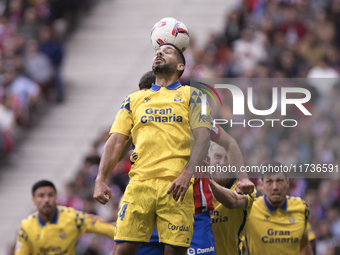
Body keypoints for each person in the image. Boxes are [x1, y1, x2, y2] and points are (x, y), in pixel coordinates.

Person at [93, 43, 212, 255]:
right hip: (139, 185)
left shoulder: (193, 96)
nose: (159, 53)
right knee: (121, 251)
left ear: (180, 66)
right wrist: (101, 178)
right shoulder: (133, 99)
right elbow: (116, 141)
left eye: (167, 52)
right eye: (158, 51)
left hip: (175, 186)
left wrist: (187, 174)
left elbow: (203, 138)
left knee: (174, 252)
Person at [133, 71, 254, 255]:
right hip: (154, 208)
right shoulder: (139, 120)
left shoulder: (193, 116)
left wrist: (242, 178)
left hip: (193, 210)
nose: (144, 101)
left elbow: (229, 143)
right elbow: (118, 144)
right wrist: (102, 177)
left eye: (147, 95)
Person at [14, 180, 116, 255]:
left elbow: (109, 230)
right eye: (41, 196)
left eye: (50, 195)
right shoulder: (26, 226)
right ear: (34, 200)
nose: (46, 200)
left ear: (56, 198)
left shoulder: (73, 218)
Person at [243, 161, 313, 255]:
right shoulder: (249, 209)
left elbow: (305, 243)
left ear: (287, 182)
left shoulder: (301, 207)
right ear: (262, 185)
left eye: (279, 181)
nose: (275, 187)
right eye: (269, 182)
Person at [208, 142, 256, 255]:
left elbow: (233, 202)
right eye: (217, 156)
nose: (223, 163)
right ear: (207, 158)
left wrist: (206, 181)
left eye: (228, 158)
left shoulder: (246, 187)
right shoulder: (194, 186)